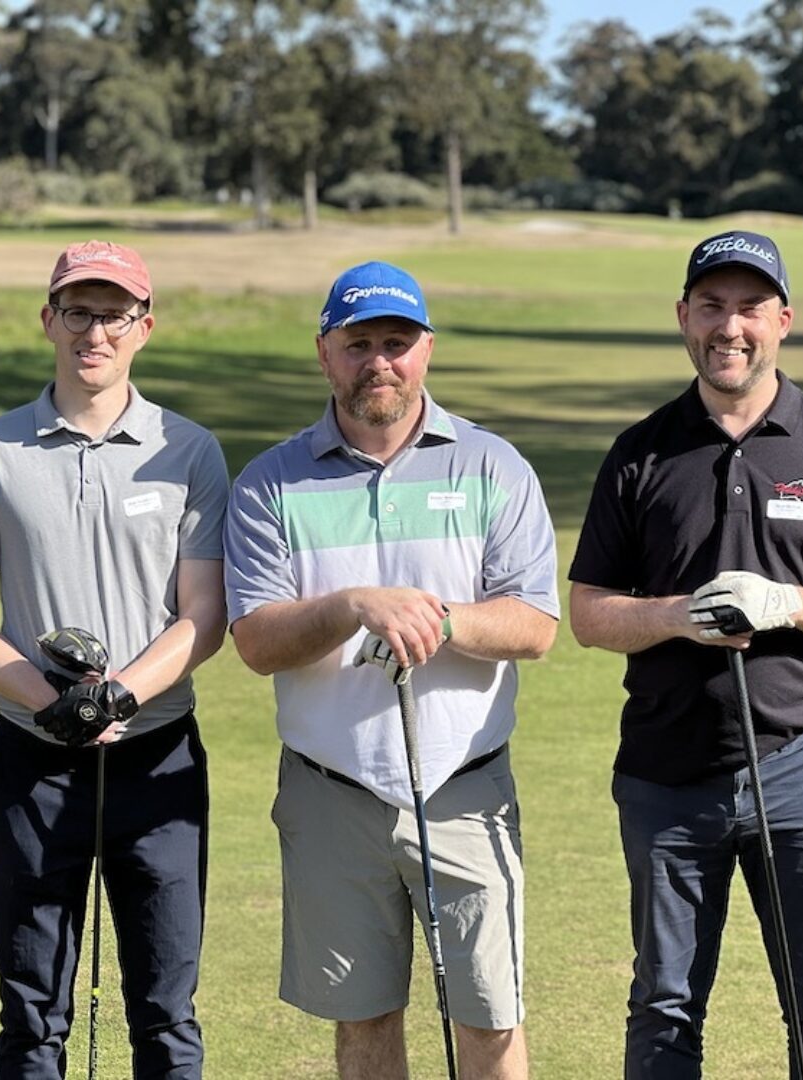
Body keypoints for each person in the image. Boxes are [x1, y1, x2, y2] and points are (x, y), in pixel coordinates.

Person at [568, 230, 803, 1078]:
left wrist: (787, 602)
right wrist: (678, 616)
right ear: (683, 317)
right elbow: (588, 613)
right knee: (664, 1007)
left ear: (782, 321)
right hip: (666, 772)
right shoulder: (641, 451)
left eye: (751, 308)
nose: (731, 327)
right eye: (711, 306)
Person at [224, 261, 559, 1079]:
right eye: (359, 344)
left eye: (397, 343)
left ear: (427, 350)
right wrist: (352, 607)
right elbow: (257, 641)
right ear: (325, 353)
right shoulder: (270, 482)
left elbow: (535, 625)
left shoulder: (492, 467)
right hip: (332, 791)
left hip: (464, 786)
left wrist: (440, 621)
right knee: (365, 1019)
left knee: (490, 1015)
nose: (380, 361)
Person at [0, 240, 228, 1079]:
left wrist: (117, 697)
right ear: (48, 320)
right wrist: (50, 703)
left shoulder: (189, 450)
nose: (94, 332)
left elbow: (204, 616)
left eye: (115, 315)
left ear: (145, 328)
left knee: (166, 1014)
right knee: (32, 1014)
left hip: (157, 758)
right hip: (32, 759)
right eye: (77, 312)